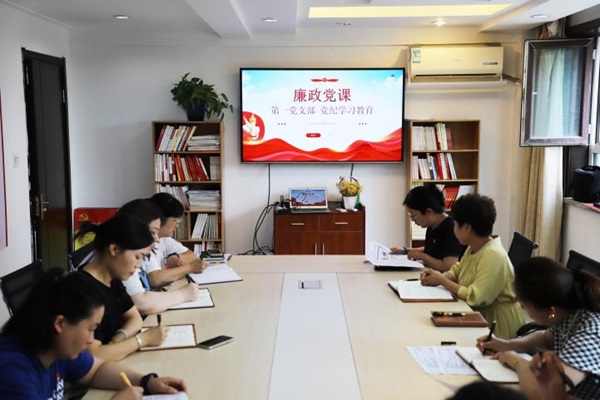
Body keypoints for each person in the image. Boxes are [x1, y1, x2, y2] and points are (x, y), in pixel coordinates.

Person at [0, 268, 187, 399]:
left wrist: (147, 382)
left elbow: (97, 370)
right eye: (90, 329)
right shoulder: (13, 373)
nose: (91, 340)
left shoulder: (55, 346)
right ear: (60, 324)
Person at [479, 257, 600, 399]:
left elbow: (543, 395)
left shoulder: (588, 337)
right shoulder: (571, 313)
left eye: (525, 306)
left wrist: (517, 362)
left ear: (551, 311)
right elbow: (545, 337)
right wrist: (506, 344)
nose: (523, 310)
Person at [420, 193, 525, 339]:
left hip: (496, 327)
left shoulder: (493, 255)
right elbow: (458, 269)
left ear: (467, 228)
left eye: (456, 224)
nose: (453, 228)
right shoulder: (474, 246)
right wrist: (438, 277)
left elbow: (476, 297)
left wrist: (442, 280)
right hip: (476, 316)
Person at [75, 213, 168, 361]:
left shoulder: (112, 280)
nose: (139, 265)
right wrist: (142, 340)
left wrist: (118, 339)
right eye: (137, 256)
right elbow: (94, 355)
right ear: (114, 249)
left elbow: (135, 318)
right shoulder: (82, 291)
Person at [119, 199, 200, 315]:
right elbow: (141, 303)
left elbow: (135, 314)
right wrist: (183, 294)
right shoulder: (123, 257)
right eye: (153, 232)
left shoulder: (134, 253)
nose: (157, 239)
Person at [392, 184, 465, 271]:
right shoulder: (433, 225)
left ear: (428, 212)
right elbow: (433, 249)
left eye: (413, 215)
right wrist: (406, 251)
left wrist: (422, 256)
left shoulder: (451, 228)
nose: (412, 219)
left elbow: (448, 266)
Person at [147, 192, 207, 288]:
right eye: (176, 220)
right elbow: (156, 279)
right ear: (161, 219)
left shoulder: (164, 239)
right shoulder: (145, 242)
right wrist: (190, 267)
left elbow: (192, 255)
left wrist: (172, 257)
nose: (177, 226)